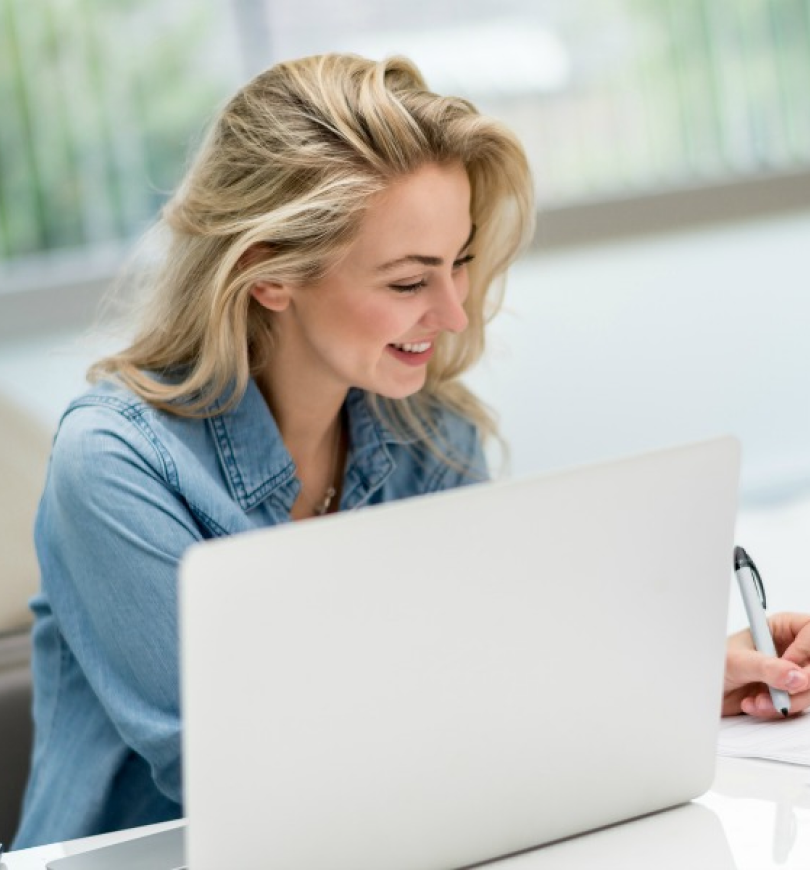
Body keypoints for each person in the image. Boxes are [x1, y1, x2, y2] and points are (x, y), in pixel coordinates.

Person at [12, 53, 810, 849]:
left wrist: (677, 680)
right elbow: (251, 784)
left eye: (459, 262)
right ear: (269, 275)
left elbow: (485, 687)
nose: (454, 314)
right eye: (407, 282)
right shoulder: (115, 464)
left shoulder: (428, 432)